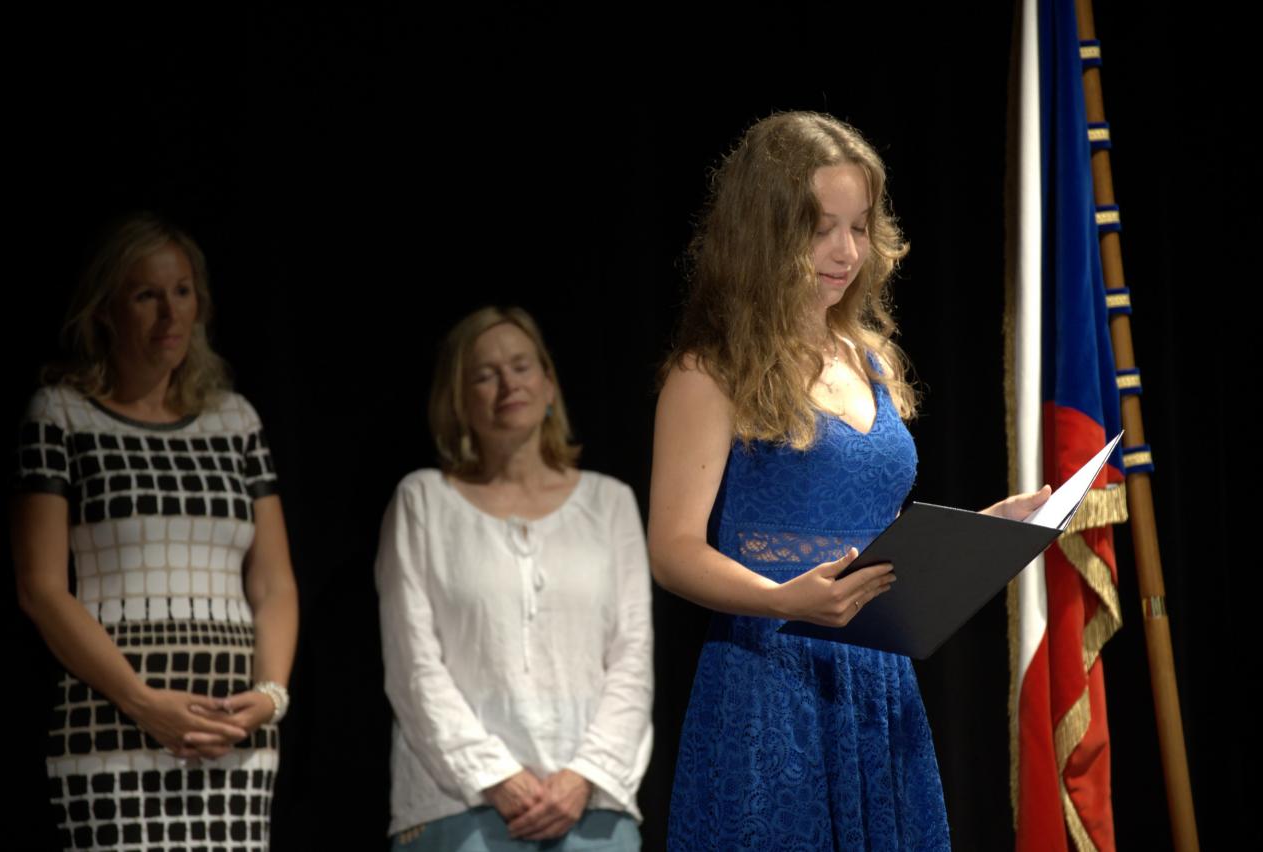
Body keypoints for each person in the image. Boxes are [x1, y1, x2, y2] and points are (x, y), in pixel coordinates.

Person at [648, 112, 1050, 850]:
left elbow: (878, 535)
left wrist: (981, 533)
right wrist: (781, 599)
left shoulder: (872, 360)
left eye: (860, 226)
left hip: (876, 683)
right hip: (770, 678)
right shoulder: (709, 373)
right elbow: (673, 549)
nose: (846, 251)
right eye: (820, 228)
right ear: (764, 233)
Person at [12, 214, 299, 851]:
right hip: (113, 727)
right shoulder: (61, 414)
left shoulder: (236, 421)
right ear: (105, 310)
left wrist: (269, 696)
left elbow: (274, 583)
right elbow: (40, 587)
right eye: (147, 295)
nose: (170, 314)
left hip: (233, 734)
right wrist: (142, 701)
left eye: (182, 292)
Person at [375, 306, 653, 851]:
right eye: (485, 374)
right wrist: (496, 776)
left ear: (549, 384)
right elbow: (413, 664)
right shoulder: (423, 501)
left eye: (522, 367)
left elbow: (632, 657)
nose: (509, 384)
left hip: (591, 804)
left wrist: (585, 774)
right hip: (460, 803)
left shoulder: (610, 502)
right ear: (458, 401)